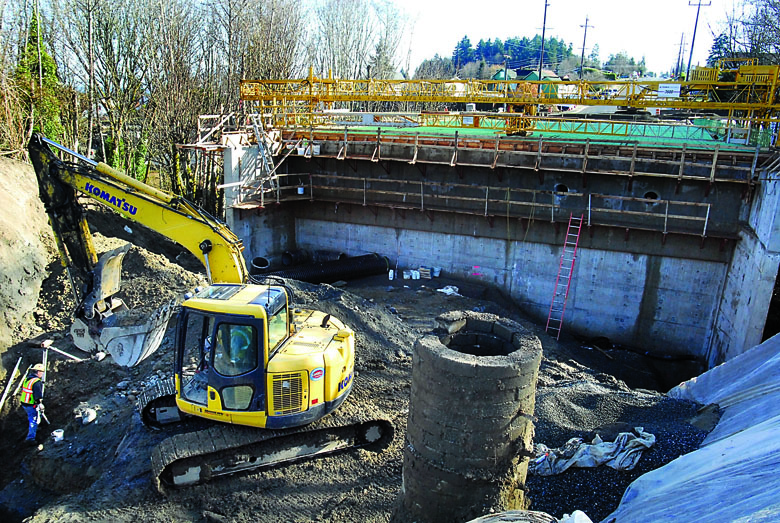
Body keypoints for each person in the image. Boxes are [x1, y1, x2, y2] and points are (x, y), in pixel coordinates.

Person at [19, 363, 45, 444]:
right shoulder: (36, 382)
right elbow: (37, 395)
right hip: (31, 404)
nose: (42, 374)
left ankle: (36, 427)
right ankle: (30, 438)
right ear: (38, 372)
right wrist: (39, 404)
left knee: (35, 416)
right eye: (42, 372)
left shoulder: (28, 379)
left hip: (24, 403)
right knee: (33, 420)